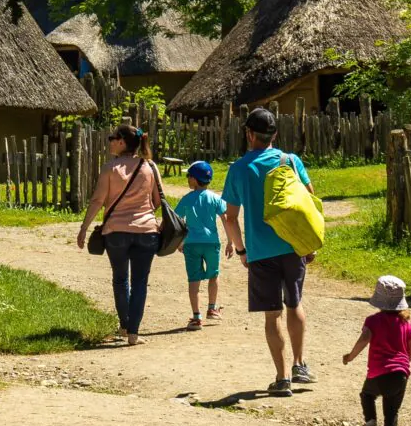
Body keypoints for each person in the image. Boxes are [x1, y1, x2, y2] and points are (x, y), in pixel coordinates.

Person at [220, 106, 315, 396]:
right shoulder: (291, 160)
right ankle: (300, 365)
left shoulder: (239, 169)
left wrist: (241, 250)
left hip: (261, 252)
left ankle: (281, 377)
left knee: (272, 314)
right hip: (293, 245)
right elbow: (311, 201)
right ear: (274, 134)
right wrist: (308, 242)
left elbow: (230, 217)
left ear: (249, 134)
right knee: (294, 304)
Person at [74, 123, 166, 343]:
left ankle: (124, 327)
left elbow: (97, 200)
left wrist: (84, 228)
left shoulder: (110, 168)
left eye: (112, 138)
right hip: (146, 232)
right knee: (140, 282)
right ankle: (134, 333)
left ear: (122, 141)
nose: (110, 141)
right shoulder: (150, 166)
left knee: (120, 279)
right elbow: (157, 200)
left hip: (115, 233)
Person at [343, 275, 411, 426]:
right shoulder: (406, 322)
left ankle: (370, 421)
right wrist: (403, 364)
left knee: (367, 395)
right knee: (392, 409)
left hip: (379, 371)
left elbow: (364, 339)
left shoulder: (373, 321)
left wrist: (350, 356)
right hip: (401, 373)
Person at [174, 161, 227, 330]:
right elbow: (226, 218)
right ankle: (212, 308)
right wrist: (232, 242)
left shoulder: (186, 199)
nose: (187, 179)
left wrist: (179, 241)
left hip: (191, 244)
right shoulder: (215, 198)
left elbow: (177, 221)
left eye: (188, 176)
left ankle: (197, 317)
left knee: (194, 280)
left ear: (195, 180)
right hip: (212, 243)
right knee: (214, 275)